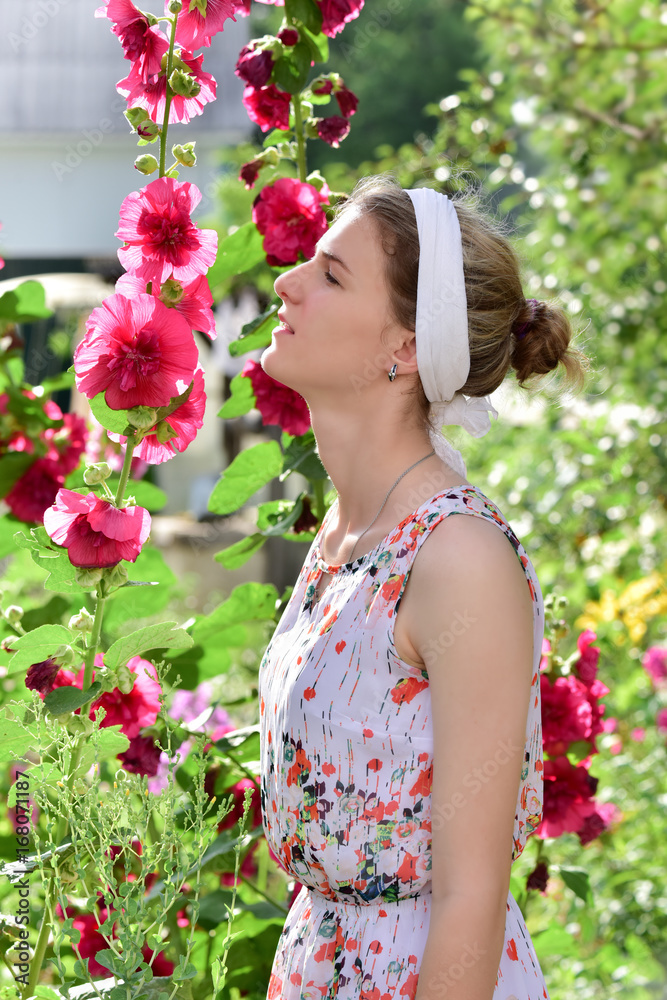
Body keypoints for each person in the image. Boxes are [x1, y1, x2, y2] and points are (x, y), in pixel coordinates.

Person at [257, 174, 585, 1000]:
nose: (285, 282)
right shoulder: (343, 537)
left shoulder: (455, 555)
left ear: (403, 348)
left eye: (331, 275)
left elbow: (469, 895)